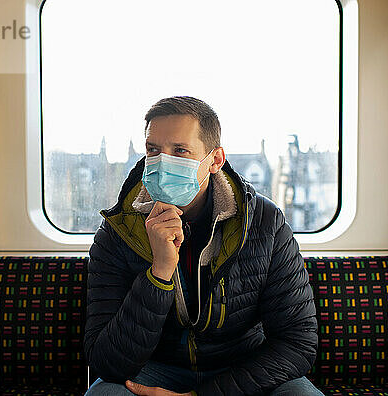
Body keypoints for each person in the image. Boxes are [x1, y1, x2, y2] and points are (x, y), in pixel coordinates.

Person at [84, 96, 322, 396]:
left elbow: (297, 342)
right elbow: (107, 361)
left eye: (180, 151)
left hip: (242, 369)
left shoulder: (263, 221)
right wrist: (159, 273)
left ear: (215, 160)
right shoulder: (119, 229)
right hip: (156, 368)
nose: (162, 162)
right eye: (153, 150)